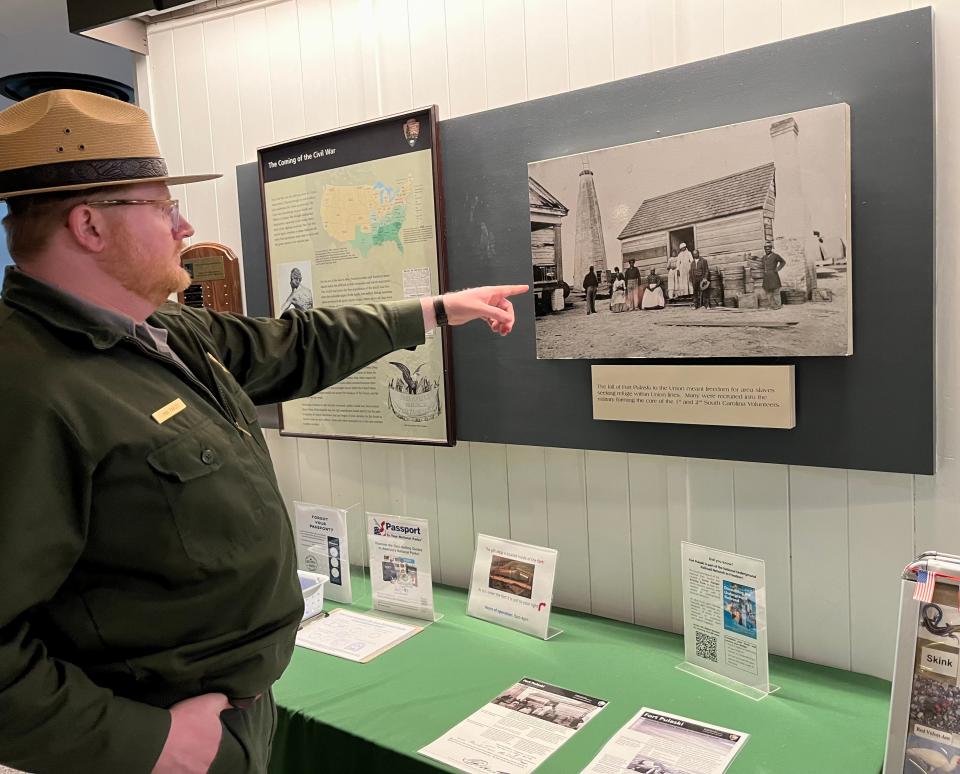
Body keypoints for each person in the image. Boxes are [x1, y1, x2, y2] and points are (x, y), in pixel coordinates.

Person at [0, 89, 527, 774]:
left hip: (232, 718)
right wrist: (144, 743)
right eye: (162, 206)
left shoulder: (164, 334)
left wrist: (432, 311)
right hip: (146, 745)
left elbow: (298, 345)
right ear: (89, 227)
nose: (182, 226)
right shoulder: (28, 389)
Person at [759, 241, 787, 310]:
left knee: (776, 291)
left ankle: (778, 305)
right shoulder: (764, 257)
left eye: (768, 248)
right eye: (766, 248)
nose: (767, 250)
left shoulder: (775, 256)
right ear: (764, 249)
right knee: (768, 291)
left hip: (773, 276)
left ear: (771, 249)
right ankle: (772, 305)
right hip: (766, 277)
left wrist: (778, 269)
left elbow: (783, 262)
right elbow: (759, 263)